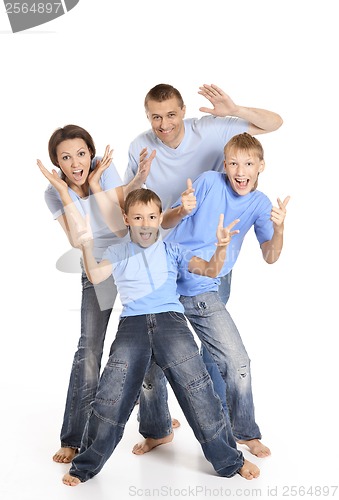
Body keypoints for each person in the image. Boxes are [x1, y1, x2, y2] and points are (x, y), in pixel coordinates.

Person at [62, 188, 260, 486]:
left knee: (199, 392)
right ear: (127, 219)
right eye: (138, 217)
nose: (146, 224)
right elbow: (96, 276)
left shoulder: (172, 249)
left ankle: (231, 460)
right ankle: (85, 466)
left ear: (159, 219)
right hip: (132, 327)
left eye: (152, 217)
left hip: (172, 323)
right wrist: (87, 244)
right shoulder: (118, 250)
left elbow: (209, 269)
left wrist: (221, 247)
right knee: (110, 396)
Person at [123, 83, 283, 446]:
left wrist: (235, 108)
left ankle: (225, 425)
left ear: (184, 112)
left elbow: (274, 123)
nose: (164, 124)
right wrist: (180, 208)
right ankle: (157, 429)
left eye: (171, 114)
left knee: (221, 353)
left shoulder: (211, 134)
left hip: (209, 275)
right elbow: (137, 206)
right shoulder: (145, 149)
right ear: (148, 117)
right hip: (161, 265)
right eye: (156, 117)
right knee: (149, 358)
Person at [38, 124, 149, 464]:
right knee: (89, 348)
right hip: (96, 267)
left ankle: (156, 422)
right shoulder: (53, 191)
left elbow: (119, 226)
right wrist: (64, 190)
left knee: (147, 341)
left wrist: (98, 185)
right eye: (66, 158)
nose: (76, 164)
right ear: (56, 163)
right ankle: (73, 436)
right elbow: (76, 240)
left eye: (81, 154)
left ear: (91, 152)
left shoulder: (104, 167)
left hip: (131, 262)